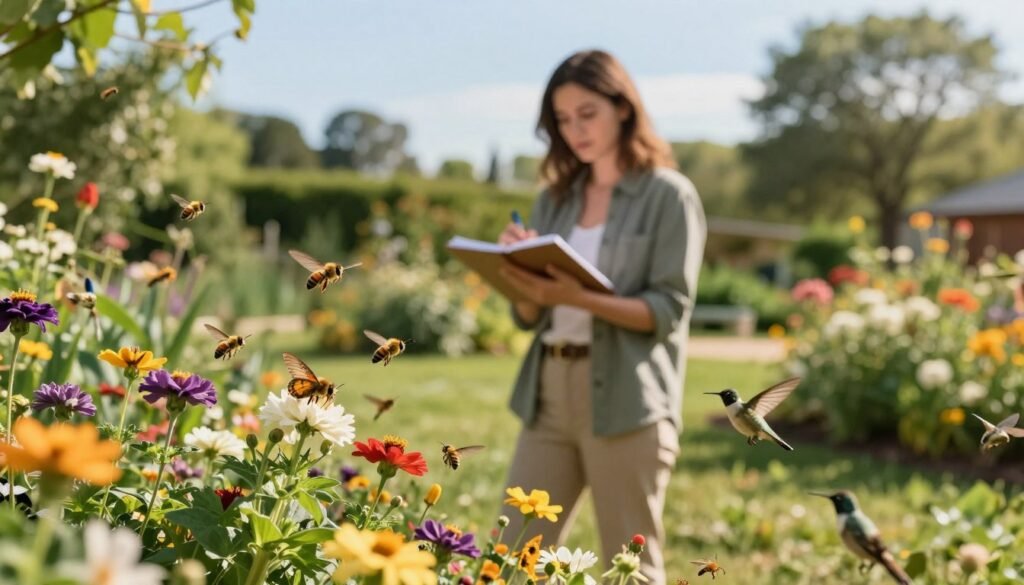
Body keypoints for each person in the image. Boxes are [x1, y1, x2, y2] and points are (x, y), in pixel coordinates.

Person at [496, 49, 706, 585]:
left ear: (622, 107)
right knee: (511, 557)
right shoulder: (555, 200)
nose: (575, 131)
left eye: (586, 113)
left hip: (628, 403)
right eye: (562, 121)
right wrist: (518, 275)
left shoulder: (668, 195)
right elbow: (528, 316)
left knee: (630, 568)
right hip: (548, 394)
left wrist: (578, 295)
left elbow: (667, 311)